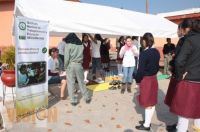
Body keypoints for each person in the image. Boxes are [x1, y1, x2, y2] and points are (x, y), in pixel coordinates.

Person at [170, 19, 200, 132]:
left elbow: (179, 61)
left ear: (187, 28)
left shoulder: (190, 40)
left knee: (183, 114)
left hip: (189, 82)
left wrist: (179, 75)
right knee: (198, 113)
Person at [135, 33, 160, 131]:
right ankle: (147, 121)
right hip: (154, 78)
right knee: (151, 102)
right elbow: (157, 67)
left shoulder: (144, 53)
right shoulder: (156, 51)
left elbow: (140, 70)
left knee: (147, 103)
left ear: (145, 41)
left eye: (142, 40)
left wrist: (137, 80)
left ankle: (146, 125)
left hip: (146, 80)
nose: (141, 42)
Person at [64, 33, 92, 106]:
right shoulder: (80, 45)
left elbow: (66, 58)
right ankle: (87, 98)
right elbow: (82, 55)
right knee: (81, 82)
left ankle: (73, 100)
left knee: (71, 83)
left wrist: (65, 66)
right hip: (79, 64)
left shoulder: (68, 45)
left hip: (71, 64)